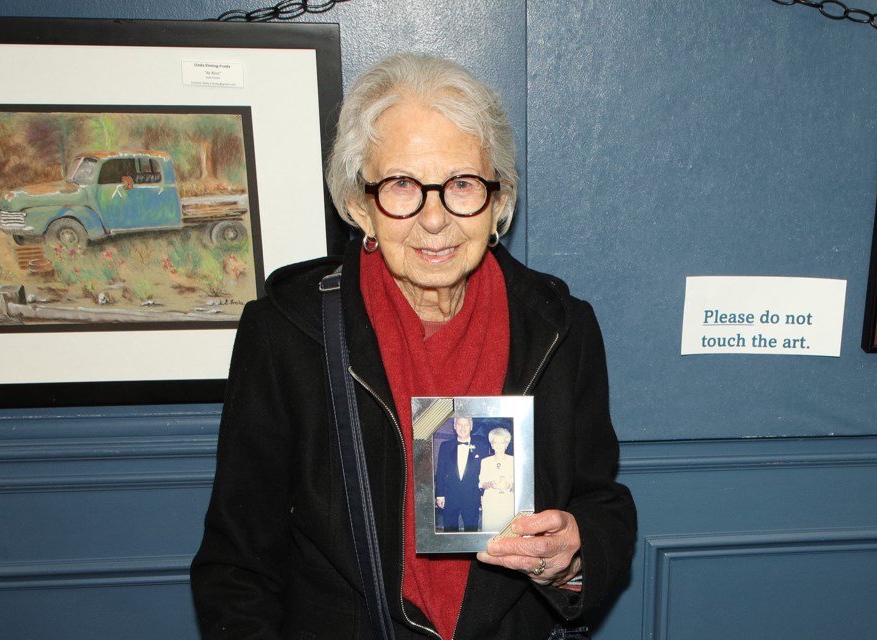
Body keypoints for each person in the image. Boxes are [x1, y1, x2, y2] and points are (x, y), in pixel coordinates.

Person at [191, 52, 637, 639]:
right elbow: (237, 566)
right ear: (359, 205)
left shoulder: (560, 329)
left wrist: (572, 558)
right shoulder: (286, 332)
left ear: (498, 202)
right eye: (402, 185)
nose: (434, 218)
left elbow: (599, 500)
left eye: (461, 184)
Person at [434, 416, 489, 531]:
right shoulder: (445, 446)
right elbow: (440, 471)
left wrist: (483, 494)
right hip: (449, 496)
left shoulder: (482, 447)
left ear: (471, 426)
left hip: (472, 496)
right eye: (459, 424)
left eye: (466, 424)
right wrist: (439, 495)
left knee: (471, 529)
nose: (462, 427)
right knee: (450, 530)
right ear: (454, 427)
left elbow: (485, 472)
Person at [479, 427, 515, 532]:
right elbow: (481, 483)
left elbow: (519, 485)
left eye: (502, 442)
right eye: (495, 442)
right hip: (491, 501)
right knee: (491, 536)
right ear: (492, 444)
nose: (498, 446)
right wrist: (490, 484)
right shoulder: (485, 461)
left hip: (508, 501)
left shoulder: (514, 460)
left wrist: (508, 485)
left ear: (507, 444)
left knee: (508, 534)